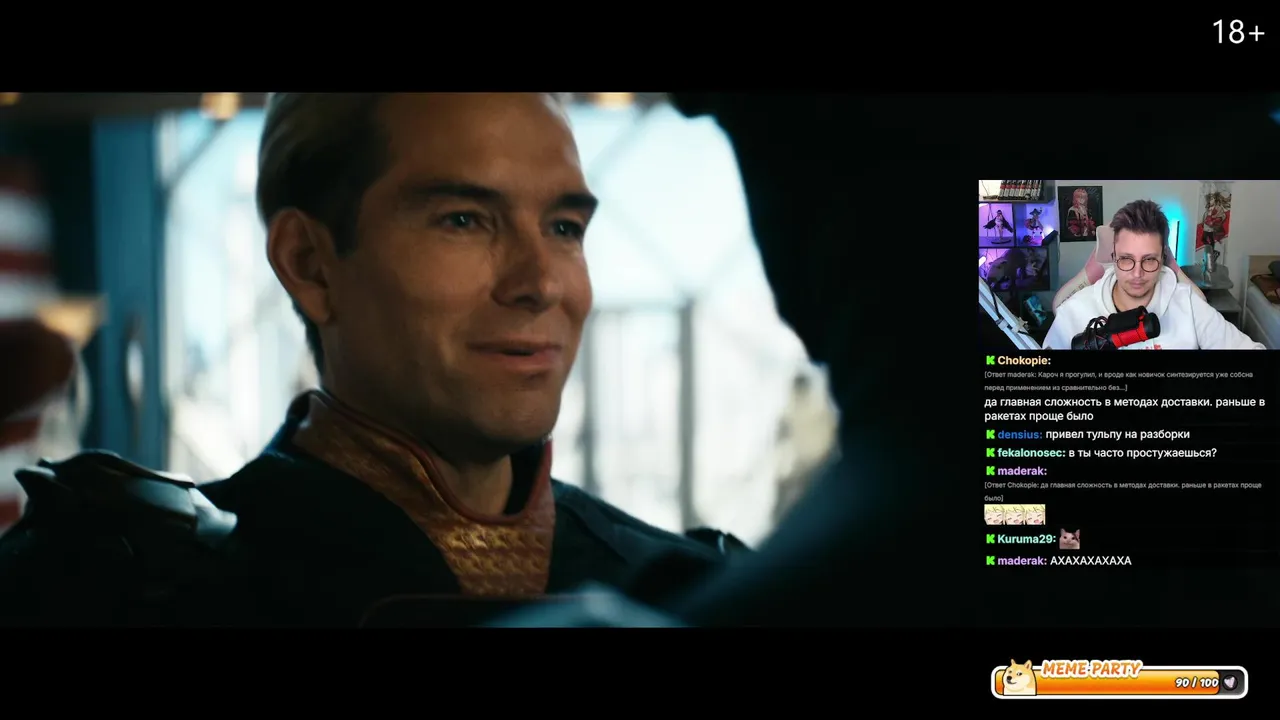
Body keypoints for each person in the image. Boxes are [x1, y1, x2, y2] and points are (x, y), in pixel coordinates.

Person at [0, 93, 745, 627]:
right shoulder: (113, 587)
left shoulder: (694, 591)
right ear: (310, 264)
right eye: (464, 219)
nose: (542, 283)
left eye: (564, 227)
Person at [1042, 199, 1264, 350]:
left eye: (1149, 260)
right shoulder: (1075, 312)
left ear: (1163, 259)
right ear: (1113, 257)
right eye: (1126, 259)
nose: (1137, 273)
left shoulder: (1188, 305)